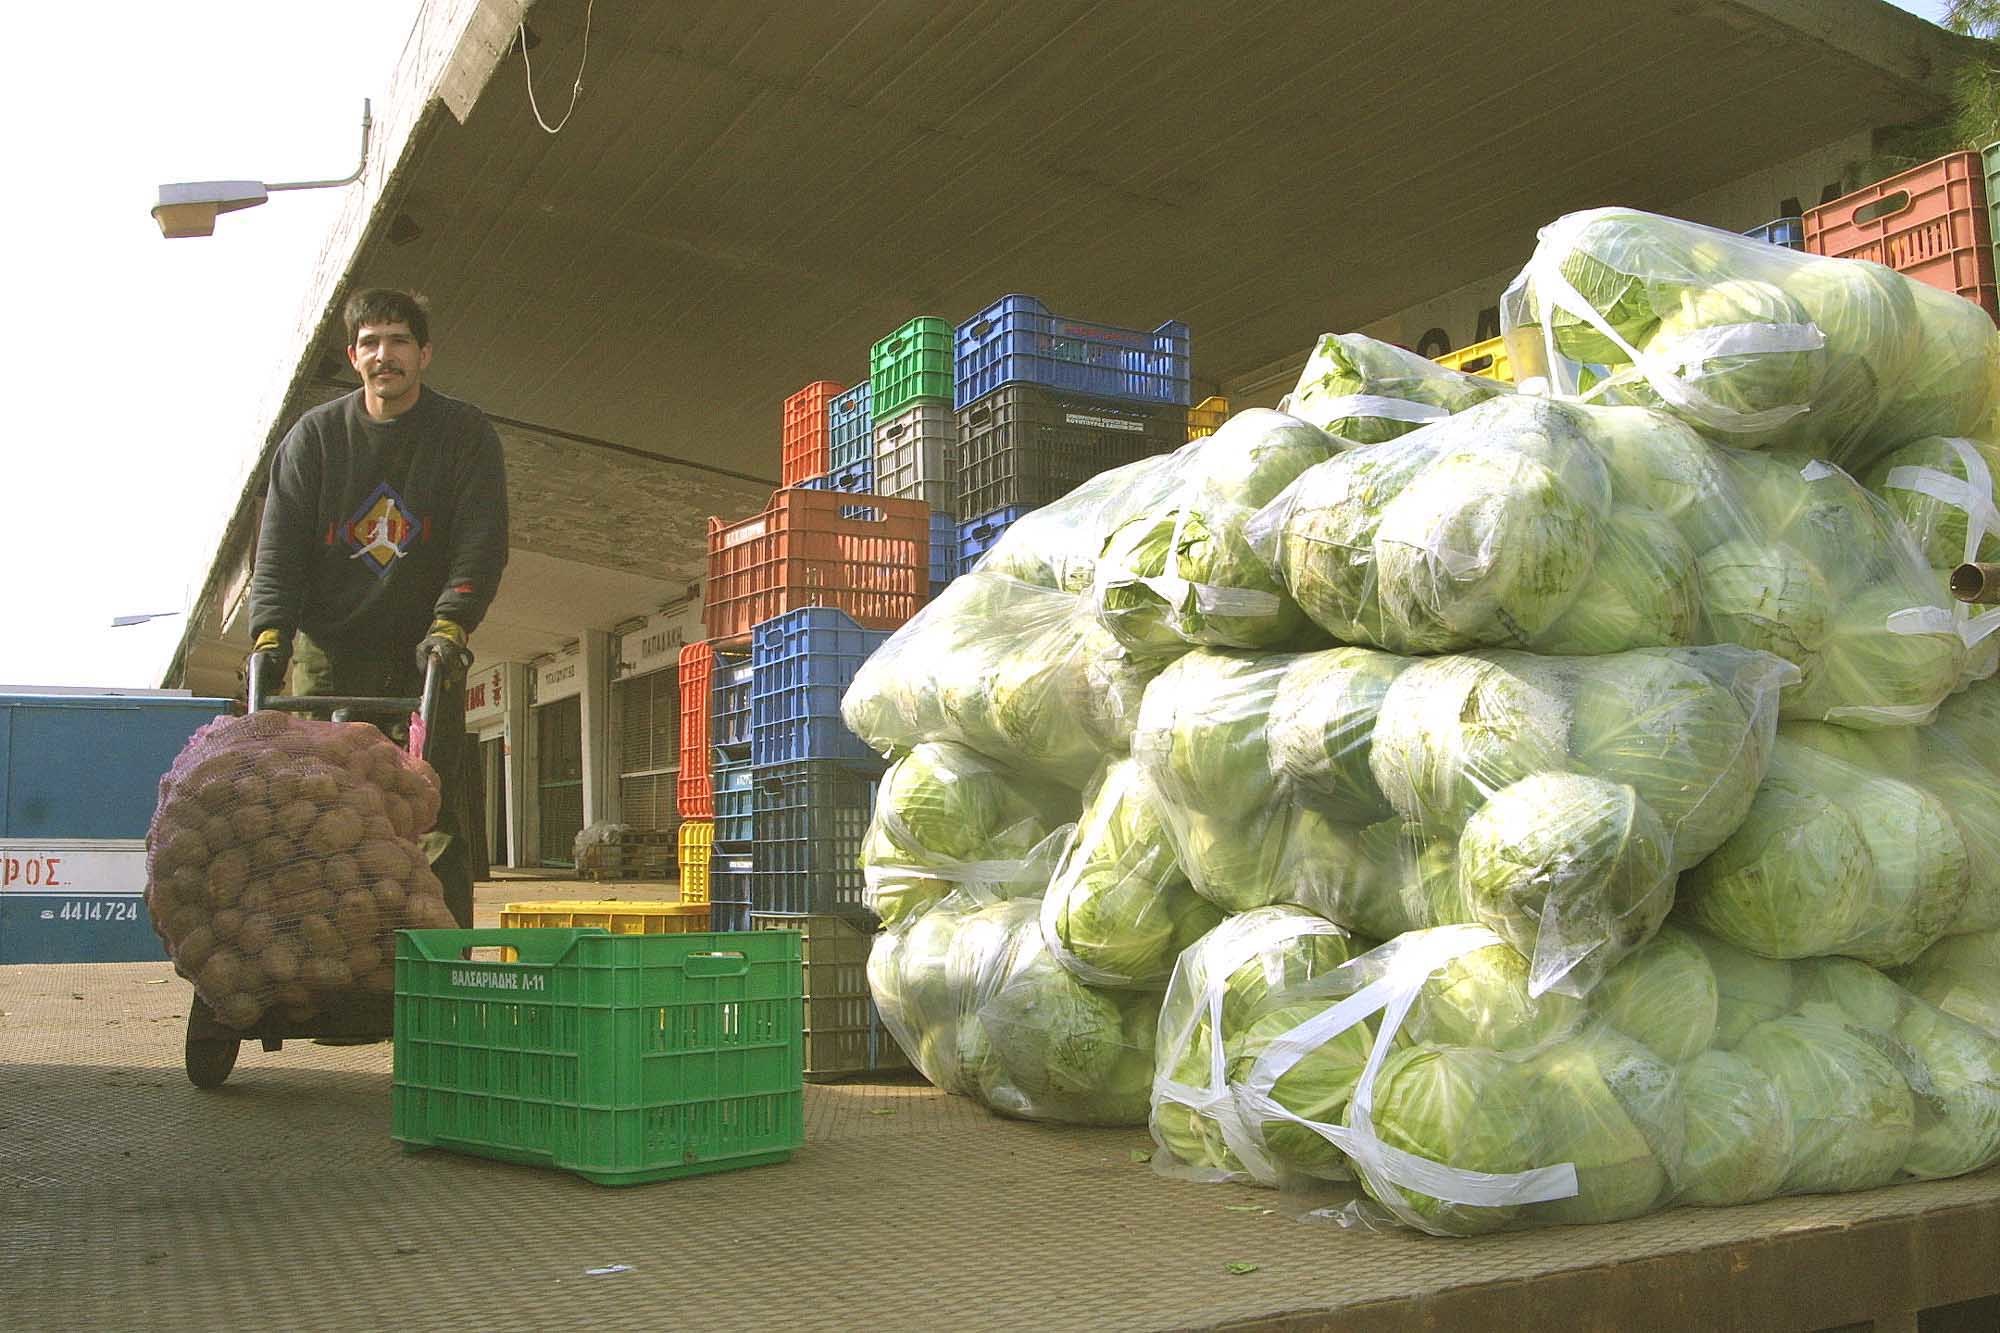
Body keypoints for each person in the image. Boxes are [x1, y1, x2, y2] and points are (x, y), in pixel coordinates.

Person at [247, 288, 509, 929]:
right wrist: (270, 636)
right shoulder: (314, 440)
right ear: (352, 356)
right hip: (329, 649)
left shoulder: (462, 435)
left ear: (424, 354)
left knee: (432, 807)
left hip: (424, 649)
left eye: (397, 341)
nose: (383, 356)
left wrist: (452, 623)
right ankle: (329, 956)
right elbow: (277, 550)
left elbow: (481, 542)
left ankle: (442, 972)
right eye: (370, 343)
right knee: (316, 802)